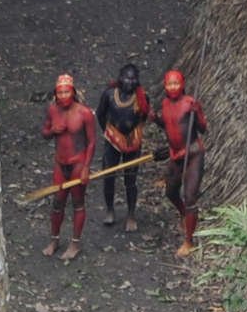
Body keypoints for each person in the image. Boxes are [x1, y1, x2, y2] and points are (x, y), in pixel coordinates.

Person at [40, 73, 96, 260]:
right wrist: (51, 131)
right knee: (57, 202)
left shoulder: (84, 113)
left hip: (77, 164)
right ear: (56, 94)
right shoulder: (52, 110)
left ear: (73, 92)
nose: (63, 96)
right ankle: (54, 240)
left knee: (78, 202)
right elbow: (44, 132)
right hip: (59, 163)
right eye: (60, 93)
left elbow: (92, 142)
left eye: (66, 92)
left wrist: (87, 167)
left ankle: (75, 243)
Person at [153, 69, 207, 257]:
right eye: (169, 84)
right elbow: (168, 125)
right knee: (170, 192)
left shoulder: (189, 103)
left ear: (182, 85)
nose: (173, 87)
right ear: (165, 86)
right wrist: (155, 119)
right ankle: (185, 214)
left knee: (190, 196)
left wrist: (197, 113)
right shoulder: (165, 104)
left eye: (176, 83)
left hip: (193, 153)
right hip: (176, 154)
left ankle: (189, 241)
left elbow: (203, 128)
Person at [96, 63, 150, 232]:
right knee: (109, 176)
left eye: (133, 78)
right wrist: (109, 132)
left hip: (132, 141)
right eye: (127, 77)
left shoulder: (142, 97)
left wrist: (133, 134)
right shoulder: (109, 94)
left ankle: (131, 215)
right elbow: (100, 114)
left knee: (131, 179)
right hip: (112, 139)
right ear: (120, 78)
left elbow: (144, 116)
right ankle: (110, 210)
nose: (130, 81)